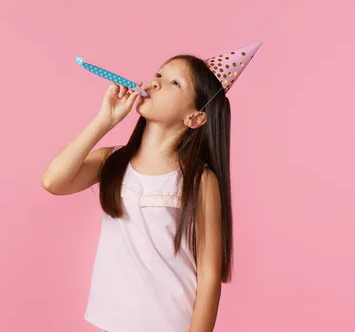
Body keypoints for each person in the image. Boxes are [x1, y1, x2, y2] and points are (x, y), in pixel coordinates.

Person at [41, 43, 262, 332]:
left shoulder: (199, 181)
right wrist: (103, 121)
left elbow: (208, 276)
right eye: (159, 74)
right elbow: (53, 182)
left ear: (194, 117)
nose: (155, 82)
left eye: (174, 83)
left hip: (170, 323)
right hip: (110, 321)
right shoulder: (113, 160)